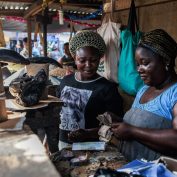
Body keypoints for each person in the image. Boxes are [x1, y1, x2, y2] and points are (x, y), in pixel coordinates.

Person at [111, 29, 177, 161]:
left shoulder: (174, 93)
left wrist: (132, 131)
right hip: (130, 167)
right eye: (137, 64)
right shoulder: (144, 89)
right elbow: (141, 124)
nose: (139, 69)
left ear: (166, 61)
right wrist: (118, 121)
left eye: (145, 63)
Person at [57, 30, 124, 150]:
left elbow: (116, 125)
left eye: (93, 60)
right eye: (82, 61)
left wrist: (88, 133)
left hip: (91, 147)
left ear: (100, 59)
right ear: (75, 58)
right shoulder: (65, 81)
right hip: (63, 142)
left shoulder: (107, 88)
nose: (88, 65)